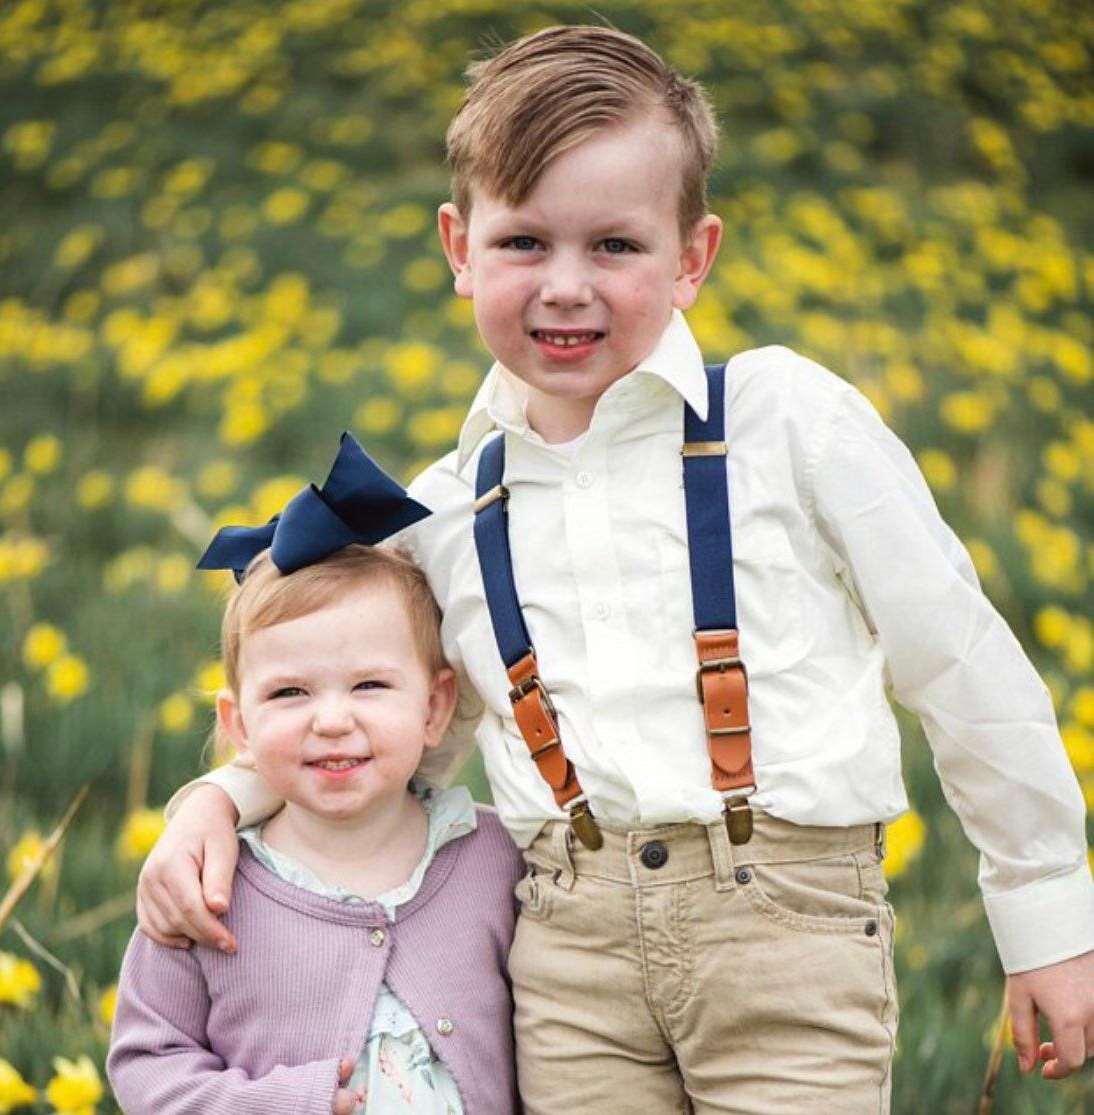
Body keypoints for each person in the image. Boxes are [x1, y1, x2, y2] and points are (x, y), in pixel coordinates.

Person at [135, 24, 1094, 1115]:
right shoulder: (444, 513)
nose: (565, 287)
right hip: (566, 957)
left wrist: (1046, 912)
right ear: (458, 247)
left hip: (788, 934)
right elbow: (390, 726)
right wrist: (217, 798)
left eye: (615, 246)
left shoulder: (789, 422)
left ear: (692, 257)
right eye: (523, 242)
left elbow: (958, 662)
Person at [108, 435, 522, 1114]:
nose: (331, 720)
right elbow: (148, 1063)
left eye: (369, 685)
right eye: (290, 693)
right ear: (239, 723)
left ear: (435, 706)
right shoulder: (207, 888)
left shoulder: (496, 858)